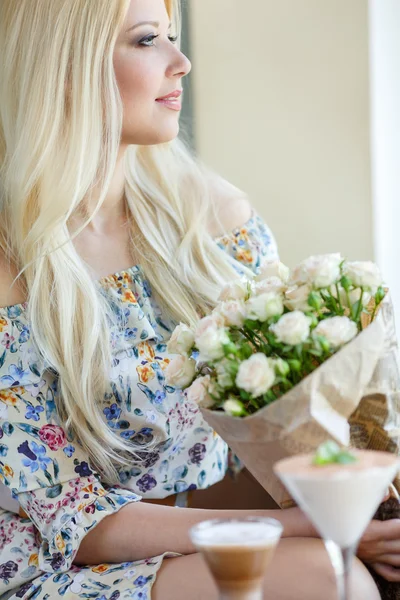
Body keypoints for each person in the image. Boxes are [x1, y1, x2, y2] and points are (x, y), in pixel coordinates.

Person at [0, 1, 396, 598]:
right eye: (145, 41)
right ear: (66, 66)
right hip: (61, 566)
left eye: (173, 37)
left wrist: (371, 501)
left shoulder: (216, 222)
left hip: (223, 529)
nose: (181, 63)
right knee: (326, 580)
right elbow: (77, 525)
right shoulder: (13, 266)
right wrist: (319, 525)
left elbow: (289, 425)